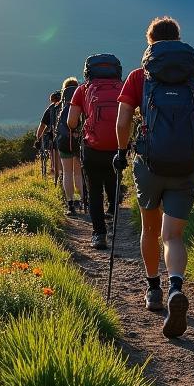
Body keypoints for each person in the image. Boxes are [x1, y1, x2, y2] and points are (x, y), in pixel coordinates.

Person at [115, 17, 194, 337]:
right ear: (178, 40)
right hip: (185, 166)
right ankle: (176, 287)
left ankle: (154, 291)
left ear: (150, 43)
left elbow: (122, 123)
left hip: (149, 165)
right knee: (172, 235)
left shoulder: (138, 77)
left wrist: (122, 152)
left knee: (150, 228)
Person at [67, 54, 124, 250]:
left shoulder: (82, 90)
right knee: (113, 181)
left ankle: (99, 234)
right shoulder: (123, 87)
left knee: (94, 191)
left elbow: (71, 122)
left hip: (92, 149)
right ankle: (114, 215)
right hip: (118, 147)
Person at [56, 77, 82, 214]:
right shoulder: (80, 98)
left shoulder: (62, 105)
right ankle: (82, 202)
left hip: (64, 142)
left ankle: (71, 205)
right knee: (78, 174)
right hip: (78, 142)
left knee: (67, 173)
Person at [34, 91, 62, 182]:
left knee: (55, 162)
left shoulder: (50, 109)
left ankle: (58, 180)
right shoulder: (68, 106)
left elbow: (42, 126)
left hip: (54, 140)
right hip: (70, 138)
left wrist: (38, 139)